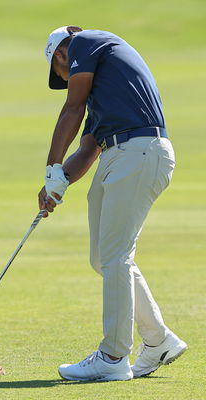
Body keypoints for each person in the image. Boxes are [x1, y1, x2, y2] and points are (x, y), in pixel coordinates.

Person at [38, 26, 187, 381]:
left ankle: (113, 356)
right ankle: (158, 341)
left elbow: (70, 109)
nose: (70, 78)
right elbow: (88, 149)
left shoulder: (86, 41)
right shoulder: (107, 100)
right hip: (121, 156)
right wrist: (56, 186)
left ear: (61, 56)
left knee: (117, 256)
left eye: (64, 74)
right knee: (103, 259)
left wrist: (49, 170)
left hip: (139, 151)